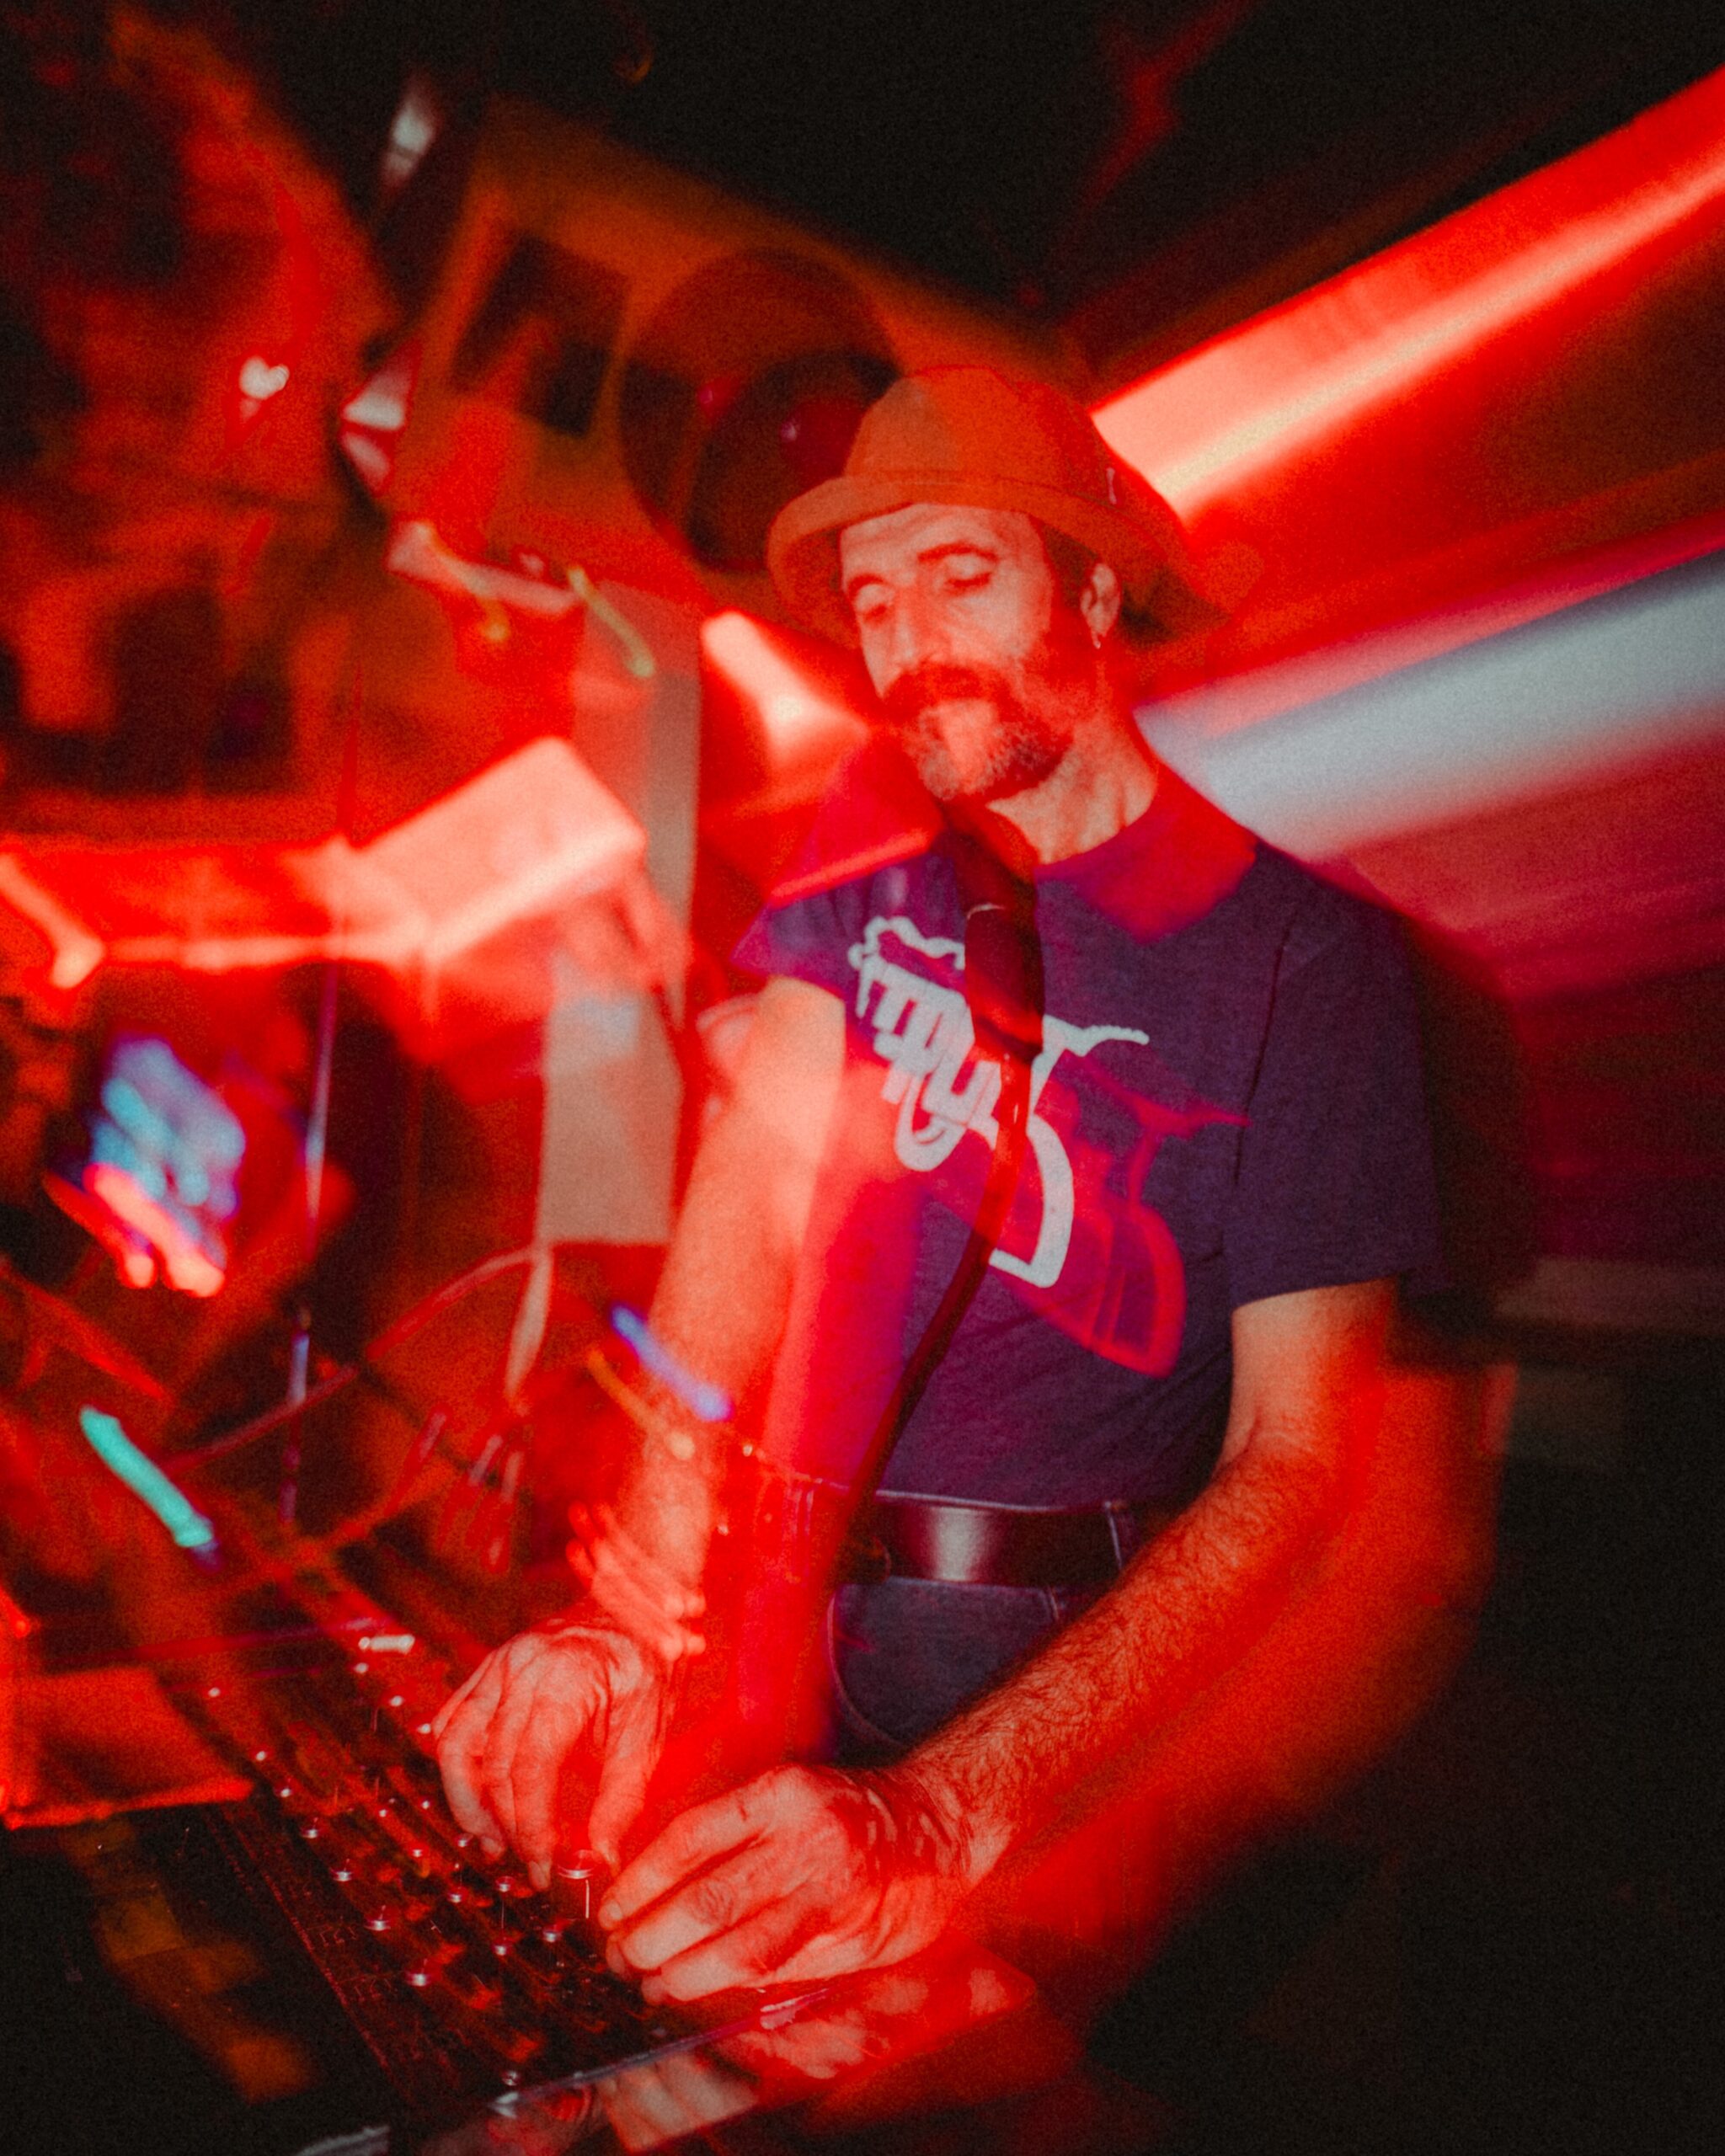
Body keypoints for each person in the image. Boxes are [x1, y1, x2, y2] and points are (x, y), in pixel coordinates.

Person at [434, 367, 1493, 2014]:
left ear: (1091, 592)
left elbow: (1296, 1462)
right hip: (791, 1634)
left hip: (1053, 1698)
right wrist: (629, 1609)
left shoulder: (1308, 963)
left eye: (959, 575)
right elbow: (753, 1191)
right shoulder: (873, 842)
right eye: (873, 602)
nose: (909, 642)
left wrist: (943, 1808)